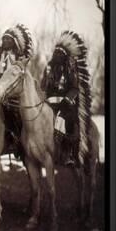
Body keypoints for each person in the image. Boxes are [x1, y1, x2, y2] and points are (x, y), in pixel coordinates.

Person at [41, 31, 88, 165]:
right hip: (49, 102)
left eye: (60, 53)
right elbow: (43, 86)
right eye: (56, 53)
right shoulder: (48, 68)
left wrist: (67, 100)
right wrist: (41, 98)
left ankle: (68, 154)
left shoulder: (70, 69)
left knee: (65, 120)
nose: (57, 55)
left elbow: (75, 88)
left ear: (65, 56)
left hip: (66, 103)